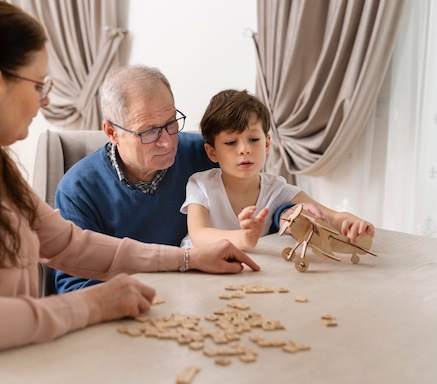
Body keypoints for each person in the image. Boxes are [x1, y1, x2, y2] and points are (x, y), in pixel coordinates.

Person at [0, 0, 260, 358]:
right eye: (39, 85)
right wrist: (92, 305)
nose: (44, 101)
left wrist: (189, 258)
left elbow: (67, 243)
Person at [53, 66, 286, 294]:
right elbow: (75, 287)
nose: (167, 142)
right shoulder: (78, 189)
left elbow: (259, 189)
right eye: (149, 132)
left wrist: (285, 210)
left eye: (171, 123)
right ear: (113, 132)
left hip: (209, 294)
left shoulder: (203, 154)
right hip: (132, 307)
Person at [179, 89, 375, 250]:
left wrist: (351, 222)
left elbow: (331, 216)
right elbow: (199, 235)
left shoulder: (277, 189)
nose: (244, 149)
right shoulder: (201, 184)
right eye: (231, 142)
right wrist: (244, 238)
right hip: (198, 270)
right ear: (212, 152)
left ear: (267, 144)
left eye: (254, 140)